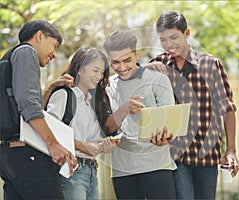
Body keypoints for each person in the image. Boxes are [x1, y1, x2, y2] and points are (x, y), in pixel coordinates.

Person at [149, 11, 239, 199]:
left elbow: (228, 108)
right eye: (163, 40)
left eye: (174, 37)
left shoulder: (210, 64)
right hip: (174, 156)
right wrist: (146, 69)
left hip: (207, 155)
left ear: (187, 33)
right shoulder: (157, 64)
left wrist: (231, 150)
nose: (168, 44)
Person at [0, 20, 77, 200]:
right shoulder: (27, 52)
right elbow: (28, 106)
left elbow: (22, 104)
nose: (54, 54)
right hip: (26, 154)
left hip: (8, 154)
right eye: (54, 45)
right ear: (40, 36)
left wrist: (50, 88)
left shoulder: (9, 57)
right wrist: (53, 144)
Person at [103, 30, 177, 199]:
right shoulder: (108, 87)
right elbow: (107, 128)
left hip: (157, 166)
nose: (122, 67)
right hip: (123, 169)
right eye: (115, 62)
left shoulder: (158, 79)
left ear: (137, 54)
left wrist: (165, 136)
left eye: (127, 60)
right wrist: (124, 109)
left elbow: (170, 123)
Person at [46, 47, 120, 200]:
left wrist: (104, 145)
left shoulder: (95, 103)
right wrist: (83, 146)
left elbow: (91, 142)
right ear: (79, 69)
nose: (99, 76)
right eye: (95, 70)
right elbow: (49, 133)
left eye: (102, 72)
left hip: (92, 171)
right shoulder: (64, 95)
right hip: (70, 171)